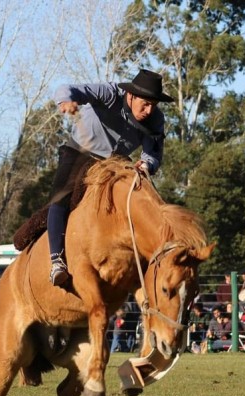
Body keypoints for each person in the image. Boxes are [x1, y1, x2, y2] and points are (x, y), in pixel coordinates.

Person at [46, 69, 174, 286]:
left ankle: (154, 264)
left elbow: (153, 153)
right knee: (60, 197)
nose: (149, 109)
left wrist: (145, 164)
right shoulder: (110, 93)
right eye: (145, 103)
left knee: (148, 203)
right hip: (80, 152)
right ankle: (57, 261)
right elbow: (67, 88)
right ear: (131, 95)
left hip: (116, 164)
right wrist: (66, 100)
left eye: (154, 104)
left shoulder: (156, 119)